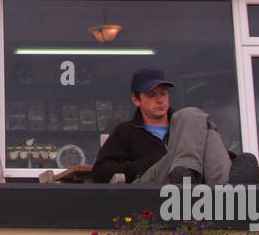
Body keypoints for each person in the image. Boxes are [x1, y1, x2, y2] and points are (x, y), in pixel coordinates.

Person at [93, 68, 247, 185]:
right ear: (136, 100)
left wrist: (233, 161)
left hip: (198, 187)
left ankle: (225, 191)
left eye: (163, 93)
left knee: (208, 133)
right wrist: (147, 163)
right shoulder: (126, 131)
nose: (160, 100)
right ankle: (190, 177)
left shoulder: (185, 124)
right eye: (152, 95)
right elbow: (101, 171)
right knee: (191, 115)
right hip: (150, 187)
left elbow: (213, 152)